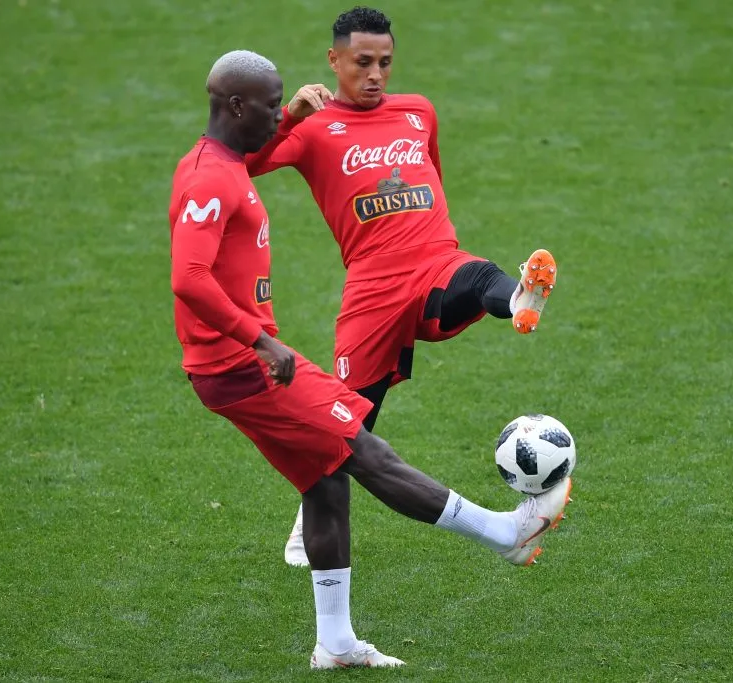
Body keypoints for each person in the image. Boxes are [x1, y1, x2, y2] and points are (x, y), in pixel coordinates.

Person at [170, 50, 572, 669]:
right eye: (276, 106)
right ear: (237, 107)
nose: (288, 114)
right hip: (243, 365)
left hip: (235, 363)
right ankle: (505, 533)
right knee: (365, 450)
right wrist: (261, 340)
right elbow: (189, 278)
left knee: (324, 479)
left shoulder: (219, 164)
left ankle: (334, 643)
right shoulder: (209, 178)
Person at [243, 6, 560, 567]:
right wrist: (289, 114)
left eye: (385, 63)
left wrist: (434, 238)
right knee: (351, 417)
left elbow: (432, 176)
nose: (375, 75)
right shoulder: (314, 129)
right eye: (362, 63)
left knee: (481, 274)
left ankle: (516, 299)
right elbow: (244, 164)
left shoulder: (418, 112)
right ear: (333, 60)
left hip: (436, 258)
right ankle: (306, 518)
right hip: (371, 286)